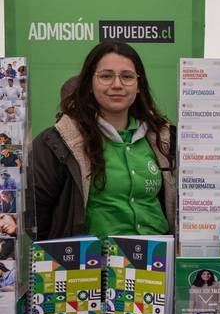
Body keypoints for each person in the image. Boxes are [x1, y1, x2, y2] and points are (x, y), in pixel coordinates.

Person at [30, 41, 175, 241]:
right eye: (106, 76)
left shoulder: (164, 138)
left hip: (157, 263)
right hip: (91, 266)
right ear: (89, 83)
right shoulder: (56, 142)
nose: (117, 85)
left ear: (139, 85)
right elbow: (35, 214)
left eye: (127, 76)